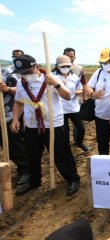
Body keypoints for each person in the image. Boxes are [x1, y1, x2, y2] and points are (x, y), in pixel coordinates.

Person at [10, 54, 80, 195]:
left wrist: (56, 84)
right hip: (31, 125)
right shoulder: (21, 83)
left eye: (27, 72)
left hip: (53, 124)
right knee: (32, 155)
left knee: (62, 154)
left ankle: (73, 179)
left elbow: (67, 96)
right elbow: (19, 102)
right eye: (21, 73)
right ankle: (34, 181)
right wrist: (16, 119)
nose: (25, 75)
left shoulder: (53, 79)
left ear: (36, 67)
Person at [0, 60, 31, 195]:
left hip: (5, 117)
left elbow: (20, 92)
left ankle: (25, 170)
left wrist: (7, 89)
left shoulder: (5, 74)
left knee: (14, 147)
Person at [84, 48, 110, 155]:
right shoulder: (99, 72)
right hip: (100, 116)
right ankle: (104, 166)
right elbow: (88, 87)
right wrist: (92, 94)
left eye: (107, 62)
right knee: (102, 143)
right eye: (102, 62)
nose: (104, 64)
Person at [53, 55, 89, 152]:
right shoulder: (53, 77)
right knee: (64, 131)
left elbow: (80, 87)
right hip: (60, 109)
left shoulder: (74, 77)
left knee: (81, 128)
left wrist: (80, 91)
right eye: (62, 66)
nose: (65, 68)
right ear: (57, 66)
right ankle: (66, 147)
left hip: (74, 107)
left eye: (67, 66)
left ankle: (79, 142)